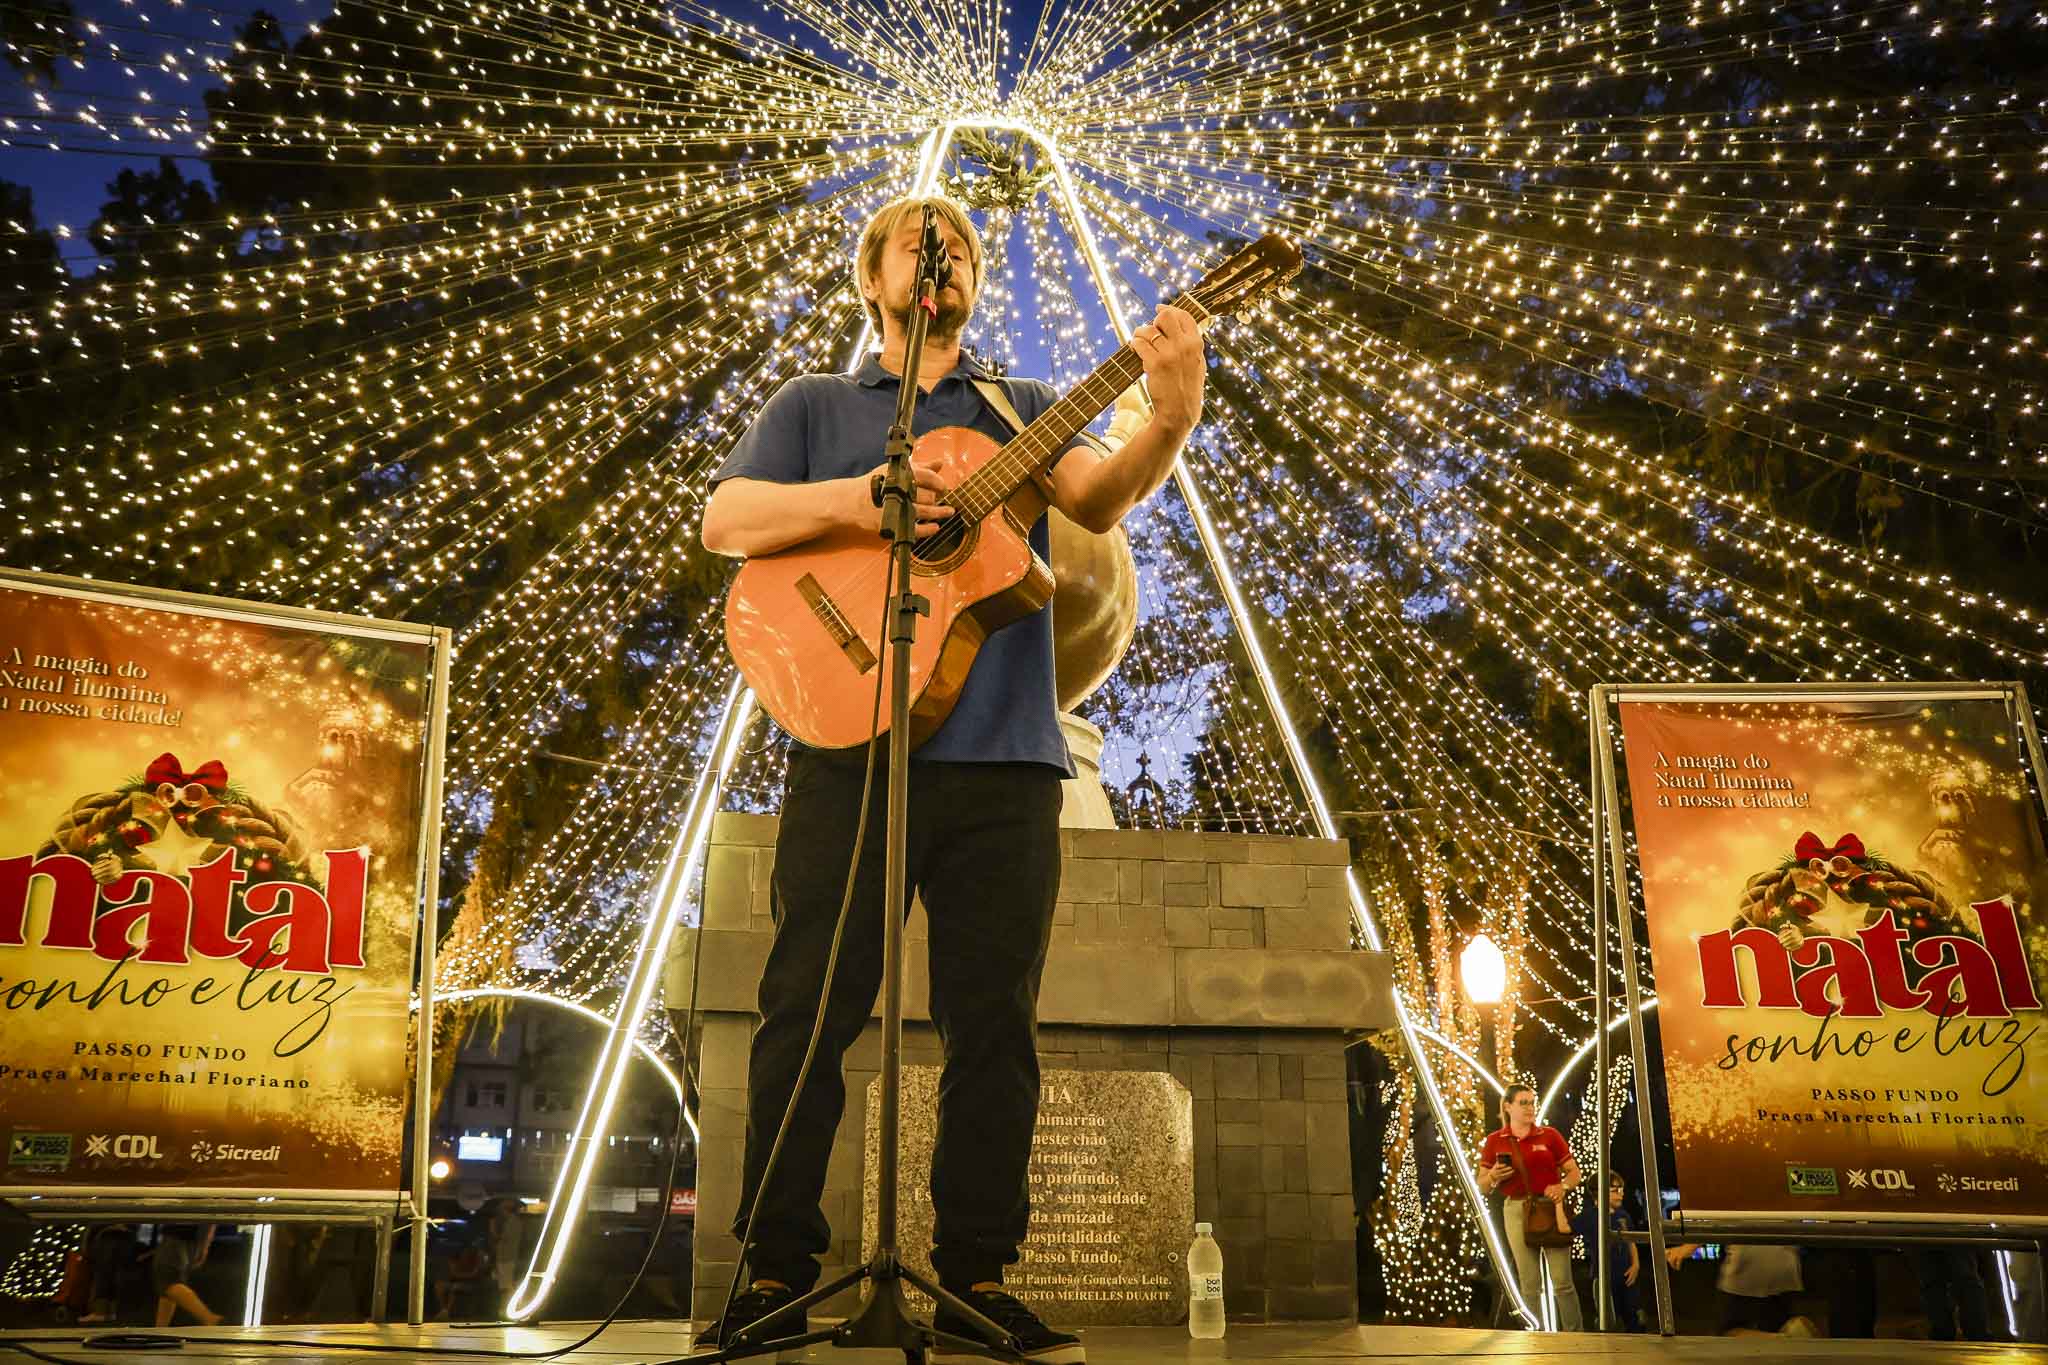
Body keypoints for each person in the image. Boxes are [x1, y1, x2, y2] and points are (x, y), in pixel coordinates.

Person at [693, 193, 1206, 1365]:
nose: (945, 257)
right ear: (872, 276)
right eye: (920, 245)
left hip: (1005, 762)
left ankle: (974, 1279)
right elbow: (726, 520)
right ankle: (774, 1272)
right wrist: (859, 502)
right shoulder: (816, 406)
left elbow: (1094, 498)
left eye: (963, 247)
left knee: (994, 1029)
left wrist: (1169, 417)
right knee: (804, 1013)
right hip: (844, 751)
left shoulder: (1019, 406)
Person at [1475, 1085, 1584, 1331]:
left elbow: (1574, 1173)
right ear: (1508, 1106)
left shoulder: (1549, 1135)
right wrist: (1493, 1175)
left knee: (1562, 1282)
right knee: (1529, 1283)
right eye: (1523, 1102)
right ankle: (1535, 1336)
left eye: (1532, 1102)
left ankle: (1576, 1335)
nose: (1529, 1108)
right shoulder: (1495, 1141)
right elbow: (1482, 1186)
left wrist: (1563, 1186)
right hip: (1516, 1210)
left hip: (1550, 1208)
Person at [1664, 1241, 1816, 1336]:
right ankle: (1785, 1337)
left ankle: (1784, 1339)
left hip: (1746, 1268)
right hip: (1786, 1267)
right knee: (1773, 1329)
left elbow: (1718, 1213)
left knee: (1726, 1334)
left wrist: (1687, 1247)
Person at [1571, 1171, 1640, 1330]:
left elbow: (1631, 1242)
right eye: (1615, 1190)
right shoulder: (1589, 1215)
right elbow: (1565, 1228)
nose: (1621, 1194)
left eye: (1621, 1190)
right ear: (1600, 1192)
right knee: (1607, 1318)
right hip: (1603, 1277)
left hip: (1627, 1275)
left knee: (1634, 1317)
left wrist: (1636, 1264)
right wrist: (1558, 1203)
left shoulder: (1623, 1215)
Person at [151, 1224, 221, 1327]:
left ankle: (211, 1319)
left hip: (178, 1235)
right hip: (190, 1239)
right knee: (169, 1288)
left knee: (168, 1281)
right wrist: (205, 1245)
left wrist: (205, 1245)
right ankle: (160, 1329)